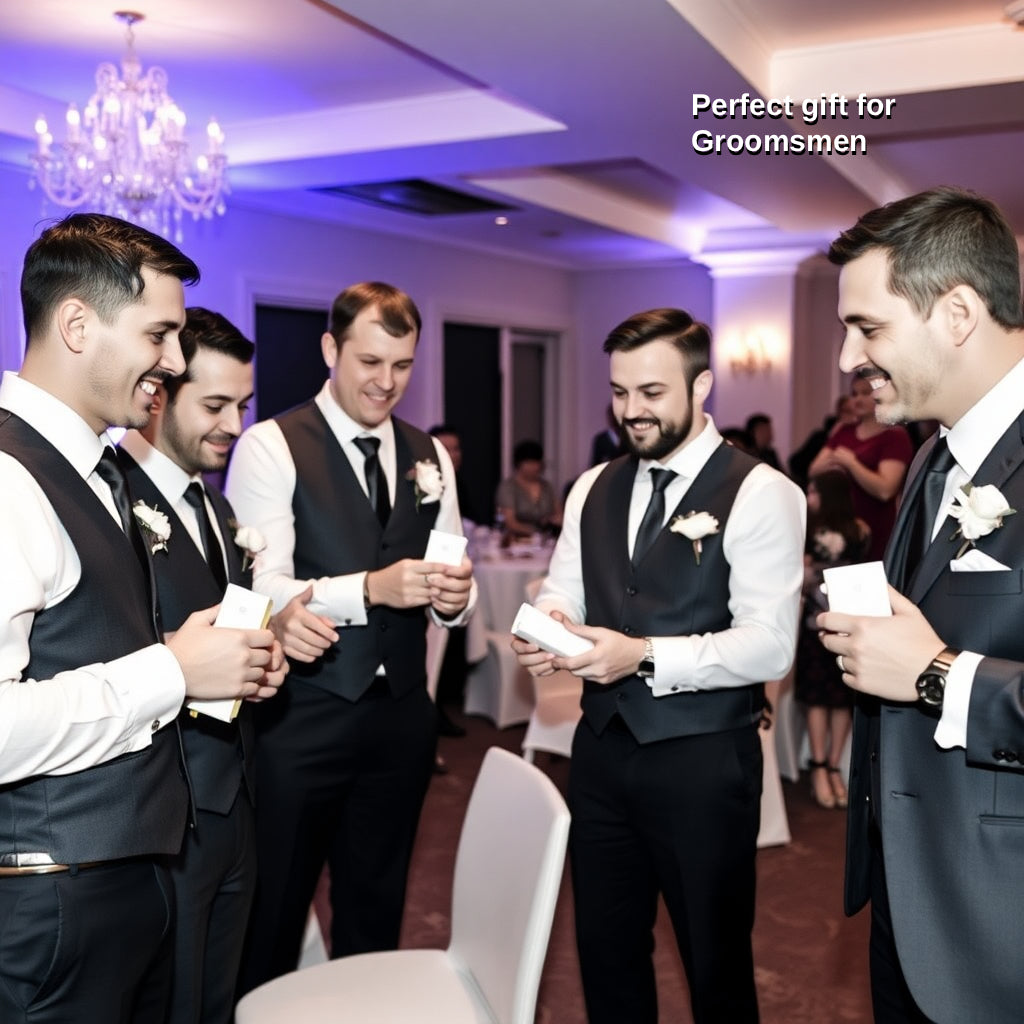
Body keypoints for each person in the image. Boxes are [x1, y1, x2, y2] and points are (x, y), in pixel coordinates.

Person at [0, 213, 285, 1024]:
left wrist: (186, 658)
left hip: (126, 883)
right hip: (53, 905)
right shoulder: (9, 480)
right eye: (158, 334)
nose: (175, 361)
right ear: (77, 325)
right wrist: (173, 670)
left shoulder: (97, 468)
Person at [512, 307, 805, 1023]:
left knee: (715, 966)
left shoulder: (763, 491)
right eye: (619, 392)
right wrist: (552, 625)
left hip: (703, 761)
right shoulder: (592, 485)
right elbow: (563, 588)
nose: (631, 411)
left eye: (651, 392)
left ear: (701, 386)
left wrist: (642, 656)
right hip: (601, 750)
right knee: (607, 953)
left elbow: (771, 644)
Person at [226, 280, 475, 993]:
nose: (386, 382)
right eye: (370, 362)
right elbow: (262, 585)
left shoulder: (430, 455)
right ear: (330, 349)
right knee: (273, 909)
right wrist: (369, 589)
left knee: (377, 905)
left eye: (402, 365)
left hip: (400, 716)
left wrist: (457, 600)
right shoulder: (271, 445)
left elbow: (450, 571)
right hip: (301, 714)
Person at [819, 186, 1024, 1024]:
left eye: (867, 328)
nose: (847, 357)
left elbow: (936, 666)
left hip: (1003, 928)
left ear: (958, 313)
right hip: (908, 898)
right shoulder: (934, 456)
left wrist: (938, 674)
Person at [117, 307, 263, 1024]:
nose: (234, 425)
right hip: (163, 817)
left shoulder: (216, 505)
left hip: (234, 803)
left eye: (242, 405)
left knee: (215, 1000)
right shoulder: (110, 498)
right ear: (160, 394)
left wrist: (261, 658)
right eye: (215, 405)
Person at [795, 470, 870, 809]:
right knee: (817, 700)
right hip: (815, 625)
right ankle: (819, 766)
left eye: (814, 490)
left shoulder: (859, 530)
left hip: (846, 622)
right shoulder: (807, 529)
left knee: (842, 698)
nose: (809, 497)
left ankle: (835, 766)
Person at [807, 375, 913, 560]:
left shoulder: (895, 436)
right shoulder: (844, 431)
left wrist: (851, 463)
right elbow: (814, 470)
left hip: (876, 524)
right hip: (841, 527)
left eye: (865, 393)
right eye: (854, 394)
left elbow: (885, 490)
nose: (857, 399)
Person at [495, 438, 562, 538]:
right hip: (518, 540)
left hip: (547, 539)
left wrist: (552, 521)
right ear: (519, 464)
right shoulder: (508, 487)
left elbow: (559, 514)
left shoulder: (547, 486)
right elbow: (510, 522)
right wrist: (537, 532)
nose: (534, 467)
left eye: (536, 462)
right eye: (529, 463)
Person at [788, 394, 856, 489]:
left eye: (853, 411)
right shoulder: (822, 436)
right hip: (823, 485)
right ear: (839, 412)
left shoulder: (859, 436)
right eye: (847, 411)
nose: (851, 416)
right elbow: (799, 463)